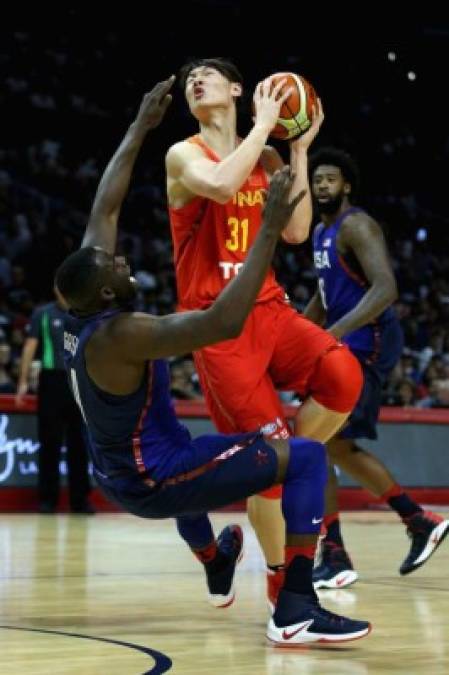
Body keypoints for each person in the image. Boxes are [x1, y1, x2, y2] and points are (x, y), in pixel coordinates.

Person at [55, 77, 371, 646]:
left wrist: (136, 130)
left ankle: (214, 562)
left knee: (203, 451)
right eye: (115, 267)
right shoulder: (122, 334)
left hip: (135, 465)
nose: (123, 259)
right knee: (300, 459)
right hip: (155, 480)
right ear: (105, 294)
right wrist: (267, 229)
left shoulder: (79, 312)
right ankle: (294, 605)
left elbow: (107, 204)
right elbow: (222, 323)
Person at [166, 58, 363, 608]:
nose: (194, 82)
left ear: (236, 89)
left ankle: (281, 457)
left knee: (343, 376)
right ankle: (284, 588)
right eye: (189, 81)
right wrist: (262, 126)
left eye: (206, 75)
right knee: (269, 460)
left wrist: (298, 147)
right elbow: (224, 187)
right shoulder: (183, 154)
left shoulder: (271, 156)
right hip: (216, 320)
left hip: (270, 308)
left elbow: (297, 230)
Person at [305, 147, 449, 588]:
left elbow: (386, 289)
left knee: (322, 442)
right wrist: (295, 333)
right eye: (317, 179)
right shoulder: (319, 232)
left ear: (346, 185)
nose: (322, 185)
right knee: (326, 445)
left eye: (330, 179)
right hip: (345, 343)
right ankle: (401, 526)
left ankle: (348, 547)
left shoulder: (357, 225)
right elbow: (324, 296)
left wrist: (336, 332)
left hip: (368, 343)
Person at [15, 290, 92, 514]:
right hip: (51, 381)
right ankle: (47, 500)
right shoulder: (43, 313)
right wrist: (22, 381)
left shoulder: (84, 315)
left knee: (79, 444)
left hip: (78, 381)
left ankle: (80, 501)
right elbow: (30, 346)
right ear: (56, 288)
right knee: (50, 443)